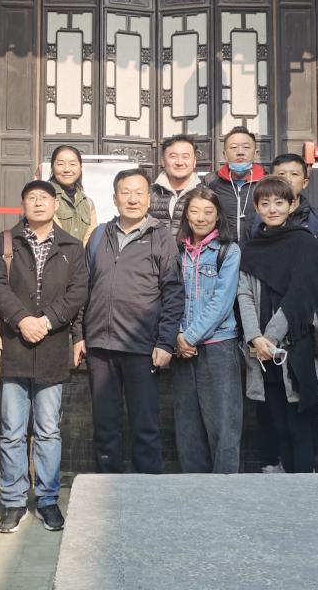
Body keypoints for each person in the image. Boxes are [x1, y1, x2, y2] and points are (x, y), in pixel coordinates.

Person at [0, 180, 88, 533]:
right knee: (12, 431)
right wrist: (22, 320)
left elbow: (78, 292)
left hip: (52, 346)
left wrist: (46, 321)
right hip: (14, 346)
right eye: (32, 198)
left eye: (45, 198)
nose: (39, 203)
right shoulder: (4, 242)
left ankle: (47, 500)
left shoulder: (72, 246)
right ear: (23, 205)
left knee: (48, 430)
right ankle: (13, 501)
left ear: (55, 205)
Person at [81, 168, 185, 474]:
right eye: (125, 192)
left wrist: (165, 342)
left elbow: (173, 292)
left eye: (139, 193)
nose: (132, 199)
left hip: (142, 347)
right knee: (105, 427)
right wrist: (78, 336)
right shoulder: (99, 235)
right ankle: (107, 489)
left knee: (145, 427)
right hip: (100, 346)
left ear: (149, 199)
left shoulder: (161, 237)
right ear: (115, 199)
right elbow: (82, 288)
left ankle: (146, 493)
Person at [238, 176, 318, 474]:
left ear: (292, 205)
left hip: (296, 347)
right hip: (263, 354)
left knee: (300, 426)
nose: (273, 209)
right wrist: (254, 337)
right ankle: (285, 485)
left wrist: (270, 338)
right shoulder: (251, 248)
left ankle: (302, 485)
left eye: (280, 202)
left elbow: (299, 296)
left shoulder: (304, 243)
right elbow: (243, 294)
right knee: (277, 425)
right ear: (256, 207)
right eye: (265, 203)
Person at [172, 186, 242, 473]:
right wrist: (177, 336)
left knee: (223, 426)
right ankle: (193, 490)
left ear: (218, 216)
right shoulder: (176, 251)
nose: (200, 218)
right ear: (186, 216)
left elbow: (222, 302)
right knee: (187, 428)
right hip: (181, 348)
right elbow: (169, 296)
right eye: (194, 211)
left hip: (218, 346)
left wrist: (188, 336)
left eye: (208, 212)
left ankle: (223, 491)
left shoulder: (228, 251)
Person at [204, 126, 266, 244]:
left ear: (256, 153)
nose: (240, 152)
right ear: (225, 154)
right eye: (233, 147)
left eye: (246, 147)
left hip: (259, 248)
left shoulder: (267, 181)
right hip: (222, 249)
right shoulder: (211, 182)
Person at [150, 134, 203, 235]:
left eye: (185, 156)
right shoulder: (149, 194)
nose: (179, 162)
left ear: (194, 162)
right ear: (163, 161)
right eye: (173, 156)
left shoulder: (205, 194)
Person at [48, 144, 97, 244]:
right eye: (60, 164)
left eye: (73, 164)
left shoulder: (88, 203)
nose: (67, 169)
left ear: (80, 167)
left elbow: (90, 240)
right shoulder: (44, 197)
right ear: (52, 167)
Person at [270, 153, 318, 236]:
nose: (287, 179)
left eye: (294, 174)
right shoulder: (257, 219)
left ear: (304, 183)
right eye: (281, 174)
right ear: (271, 181)